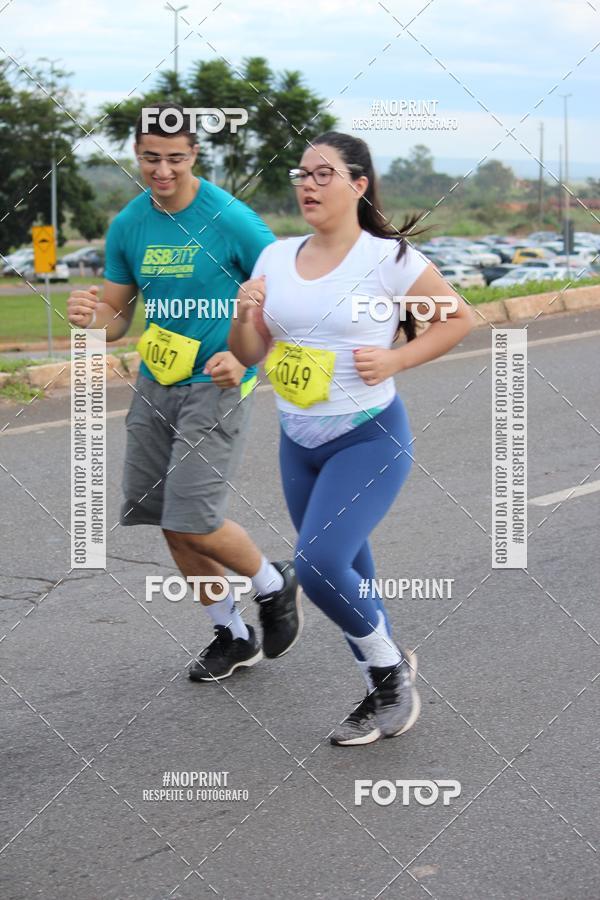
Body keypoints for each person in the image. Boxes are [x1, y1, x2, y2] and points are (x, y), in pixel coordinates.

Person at [229, 131, 474, 745]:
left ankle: (391, 678)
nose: (307, 184)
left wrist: (397, 360)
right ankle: (384, 680)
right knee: (347, 574)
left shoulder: (388, 260)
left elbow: (459, 318)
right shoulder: (274, 259)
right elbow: (251, 354)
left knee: (318, 566)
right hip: (298, 443)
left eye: (323, 174)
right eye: (301, 174)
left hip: (368, 437)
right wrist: (245, 315)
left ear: (358, 185)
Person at [67, 102, 302, 682]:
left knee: (194, 516)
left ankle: (274, 584)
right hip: (155, 383)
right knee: (164, 517)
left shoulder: (231, 219)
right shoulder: (128, 225)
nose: (162, 171)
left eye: (175, 158)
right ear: (136, 156)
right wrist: (91, 318)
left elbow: (284, 294)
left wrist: (247, 355)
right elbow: (118, 317)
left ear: (195, 154)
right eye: (151, 158)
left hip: (218, 384)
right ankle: (231, 632)